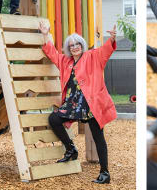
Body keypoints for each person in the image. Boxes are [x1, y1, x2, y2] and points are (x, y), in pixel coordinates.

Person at [38, 20, 117, 184]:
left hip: (90, 104)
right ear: (68, 48)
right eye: (71, 45)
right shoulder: (65, 61)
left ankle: (105, 173)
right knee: (54, 119)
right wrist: (45, 34)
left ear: (82, 45)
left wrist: (112, 39)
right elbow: (51, 53)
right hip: (73, 105)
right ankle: (71, 149)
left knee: (98, 137)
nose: (74, 47)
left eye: (77, 44)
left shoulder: (92, 56)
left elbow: (106, 51)